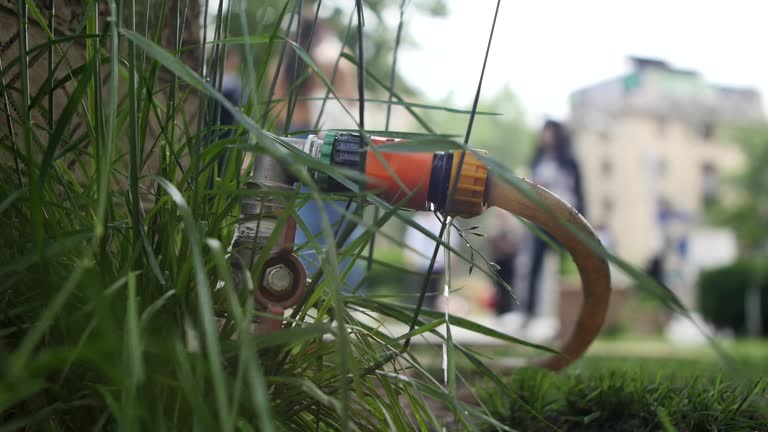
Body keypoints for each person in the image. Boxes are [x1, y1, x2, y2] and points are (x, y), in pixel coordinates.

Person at [513, 120, 585, 338]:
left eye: (550, 132)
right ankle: (527, 315)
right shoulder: (537, 160)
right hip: (540, 220)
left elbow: (579, 193)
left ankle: (566, 317)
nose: (546, 137)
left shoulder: (569, 162)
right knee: (533, 267)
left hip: (564, 220)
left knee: (566, 269)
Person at [403, 212, 458, 310]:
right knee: (422, 292)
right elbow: (411, 242)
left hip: (438, 264)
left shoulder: (442, 219)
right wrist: (410, 259)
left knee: (435, 291)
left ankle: (434, 311)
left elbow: (451, 241)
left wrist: (451, 259)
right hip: (421, 265)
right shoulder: (417, 220)